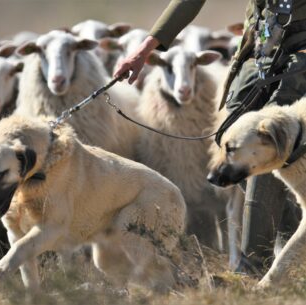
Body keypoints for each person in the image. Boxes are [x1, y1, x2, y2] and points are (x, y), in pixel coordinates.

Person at [114, 0, 306, 276]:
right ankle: (288, 243)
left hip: (301, 52)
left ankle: (251, 268)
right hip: (260, 47)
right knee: (231, 138)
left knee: (264, 145)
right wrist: (144, 50)